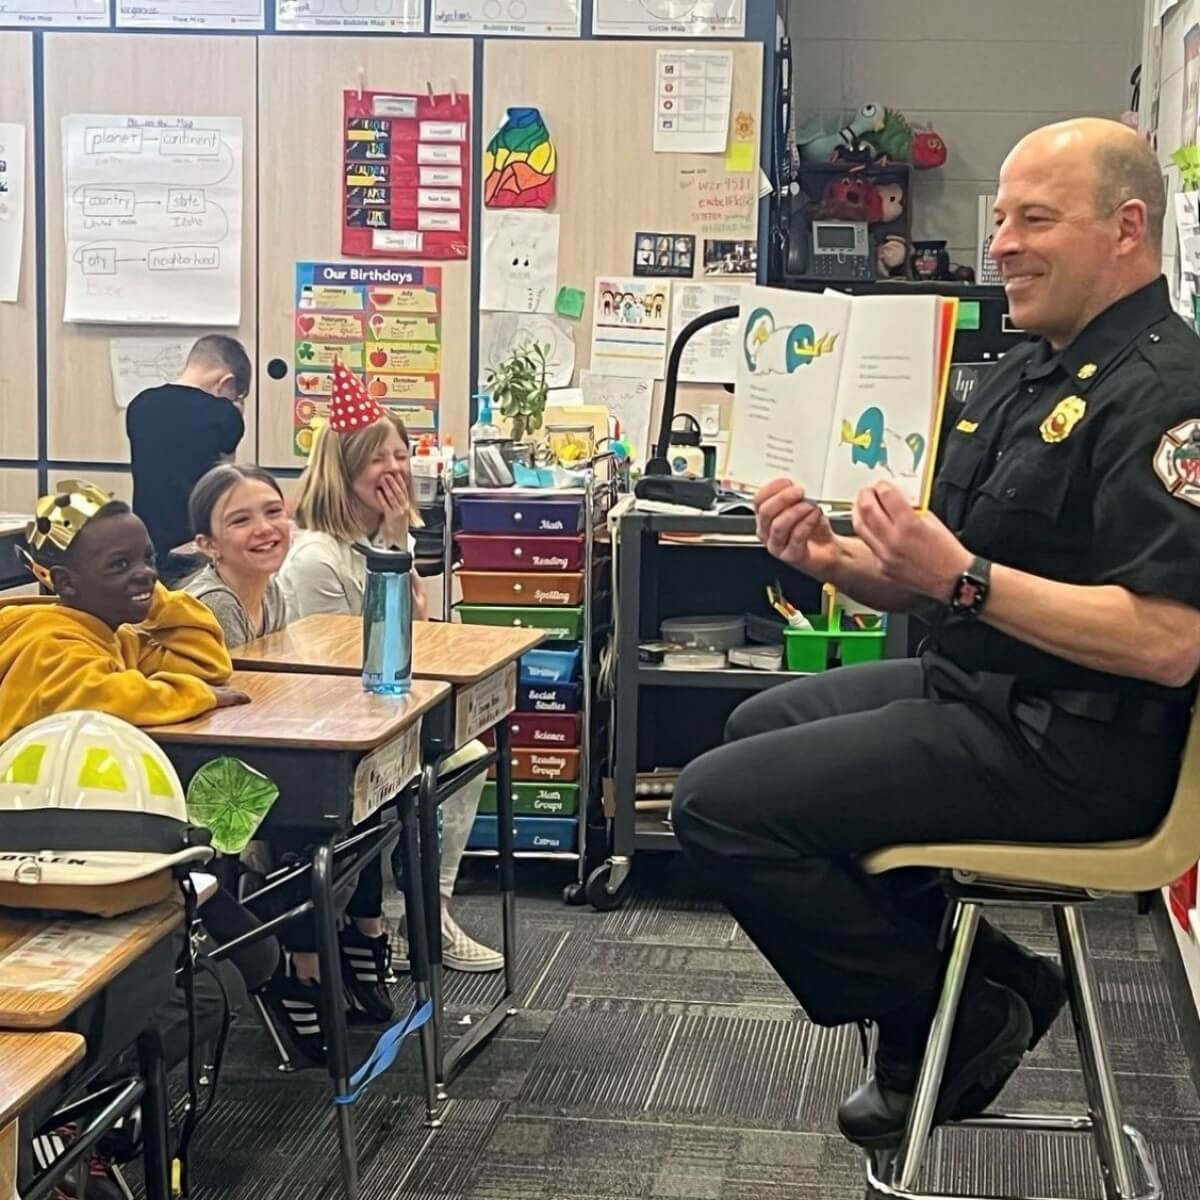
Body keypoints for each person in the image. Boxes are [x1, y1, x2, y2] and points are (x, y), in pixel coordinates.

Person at [671, 117, 1200, 1151]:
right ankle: (991, 982)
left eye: (1034, 218)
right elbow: (952, 588)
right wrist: (841, 566)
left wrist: (958, 579)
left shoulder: (1168, 394)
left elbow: (1170, 639)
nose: (1000, 243)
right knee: (749, 728)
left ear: (1127, 228)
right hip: (988, 692)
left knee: (717, 808)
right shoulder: (1035, 367)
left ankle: (947, 1012)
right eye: (1000, 218)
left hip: (1077, 745)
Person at [280, 362, 503, 979]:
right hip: (333, 726)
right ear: (344, 469)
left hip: (387, 710)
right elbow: (340, 669)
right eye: (377, 458)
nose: (395, 470)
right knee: (440, 767)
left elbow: (420, 638)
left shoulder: (381, 539)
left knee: (467, 756)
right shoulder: (317, 559)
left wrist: (401, 536)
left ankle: (430, 913)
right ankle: (415, 917)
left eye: (401, 455)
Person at [127, 335, 250, 587]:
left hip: (148, 544)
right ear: (226, 382)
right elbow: (227, 478)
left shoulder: (140, 404)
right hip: (198, 547)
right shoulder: (223, 413)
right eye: (236, 394)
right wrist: (236, 416)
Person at [184, 463, 292, 647]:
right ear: (208, 545)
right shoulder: (216, 603)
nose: (264, 528)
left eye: (273, 511)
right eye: (241, 520)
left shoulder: (271, 590)